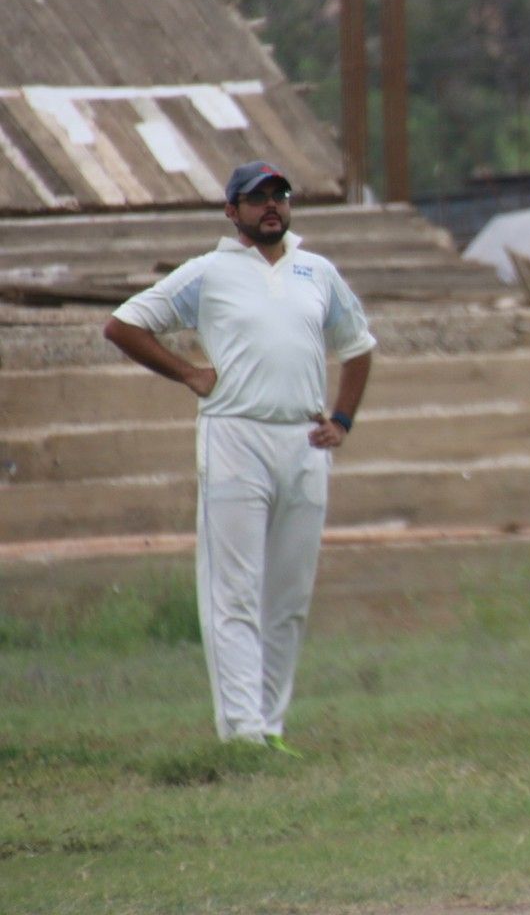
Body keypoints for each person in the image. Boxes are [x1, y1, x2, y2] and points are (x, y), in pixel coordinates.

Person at [104, 161, 376, 753]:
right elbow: (124, 326)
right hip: (234, 436)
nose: (271, 205)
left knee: (289, 597)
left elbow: (357, 347)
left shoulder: (316, 271)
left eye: (280, 195)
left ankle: (271, 728)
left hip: (303, 440)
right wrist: (189, 373)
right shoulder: (209, 272)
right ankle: (242, 734)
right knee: (234, 593)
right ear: (233, 211)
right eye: (257, 198)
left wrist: (342, 420)